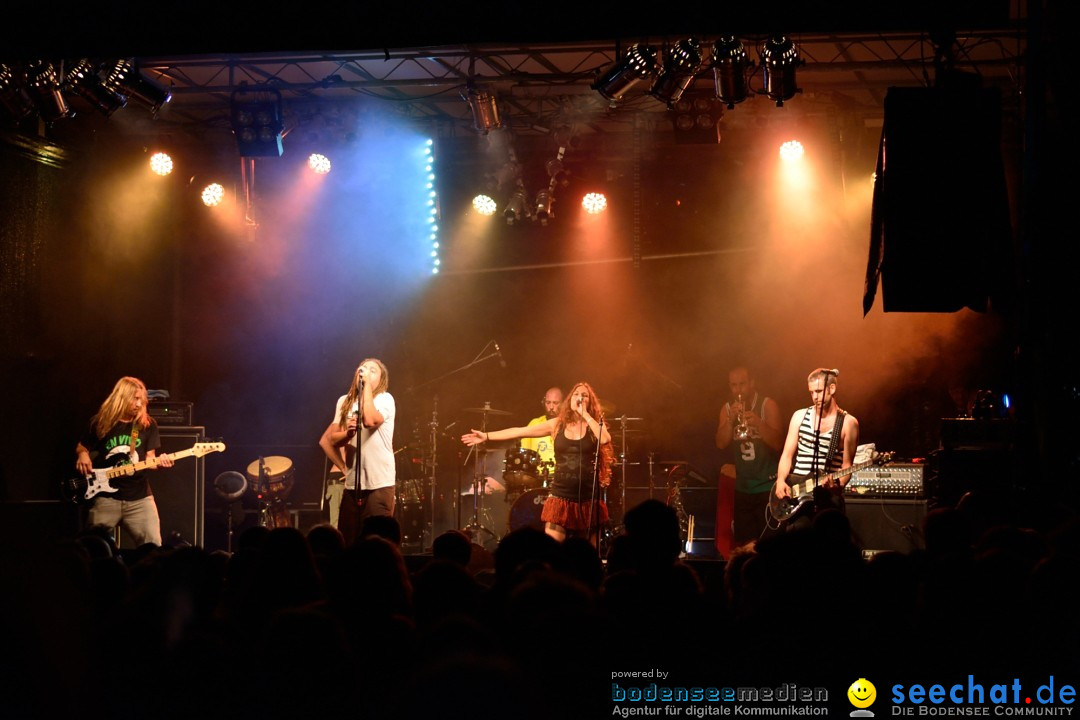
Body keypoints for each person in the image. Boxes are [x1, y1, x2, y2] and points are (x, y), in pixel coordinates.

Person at [463, 381, 613, 543]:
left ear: (590, 401)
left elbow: (605, 439)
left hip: (588, 497)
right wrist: (486, 436)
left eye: (584, 395)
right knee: (553, 550)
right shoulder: (557, 424)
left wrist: (586, 415)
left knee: (587, 555)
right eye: (576, 394)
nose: (580, 398)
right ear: (569, 400)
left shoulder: (594, 426)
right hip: (561, 495)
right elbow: (520, 431)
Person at [74, 376, 174, 546]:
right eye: (135, 399)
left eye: (141, 400)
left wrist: (161, 462)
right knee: (91, 546)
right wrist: (82, 455)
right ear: (122, 397)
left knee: (153, 546)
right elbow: (82, 447)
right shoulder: (100, 422)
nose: (138, 404)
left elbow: (150, 459)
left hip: (139, 498)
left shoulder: (147, 425)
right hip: (104, 497)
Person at [319, 358, 396, 545]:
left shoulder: (385, 399)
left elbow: (370, 421)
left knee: (378, 543)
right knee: (348, 542)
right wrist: (348, 434)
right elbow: (330, 440)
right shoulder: (344, 401)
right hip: (352, 486)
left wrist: (367, 387)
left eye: (373, 370)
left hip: (379, 483)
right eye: (363, 369)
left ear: (381, 379)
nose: (366, 372)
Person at [774, 368, 860, 526]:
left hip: (826, 495)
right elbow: (787, 455)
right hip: (797, 490)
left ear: (832, 389)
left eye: (819, 391)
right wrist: (780, 480)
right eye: (811, 392)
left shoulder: (848, 423)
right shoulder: (799, 416)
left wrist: (837, 486)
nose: (815, 397)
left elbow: (847, 466)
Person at [715, 366, 783, 545]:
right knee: (745, 545)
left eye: (742, 384)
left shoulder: (767, 405)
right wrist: (730, 421)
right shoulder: (727, 409)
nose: (738, 390)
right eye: (733, 385)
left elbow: (778, 443)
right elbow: (721, 443)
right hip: (743, 489)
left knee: (769, 545)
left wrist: (759, 424)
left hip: (767, 487)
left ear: (752, 383)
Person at [520, 386, 563, 473]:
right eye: (548, 402)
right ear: (543, 403)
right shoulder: (535, 423)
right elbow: (524, 452)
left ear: (563, 403)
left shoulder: (568, 425)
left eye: (555, 403)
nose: (551, 407)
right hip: (536, 476)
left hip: (560, 475)